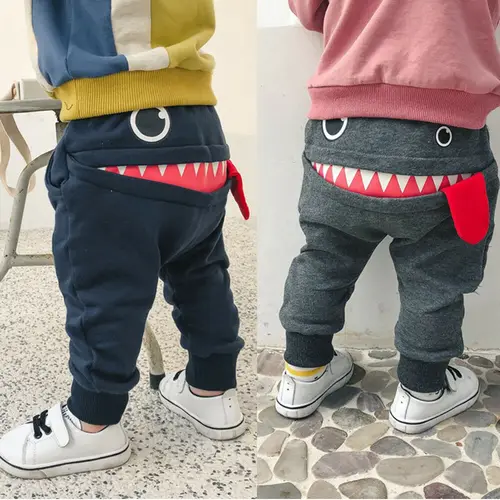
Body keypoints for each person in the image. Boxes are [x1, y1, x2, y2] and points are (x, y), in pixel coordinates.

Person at [0, 0, 249, 479]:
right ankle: (212, 390)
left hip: (111, 130)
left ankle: (93, 423)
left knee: (104, 289)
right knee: (201, 271)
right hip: (201, 132)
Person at [276, 0, 500, 434]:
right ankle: (422, 391)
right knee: (435, 276)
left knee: (324, 259)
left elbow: (306, 10)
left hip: (340, 134)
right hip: (444, 139)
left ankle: (303, 373)